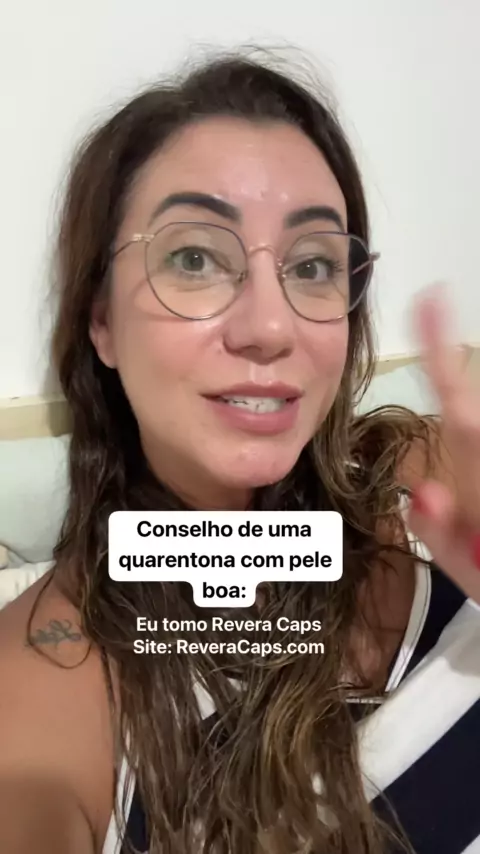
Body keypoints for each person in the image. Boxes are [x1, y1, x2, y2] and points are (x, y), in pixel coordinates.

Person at [0, 49, 479, 854]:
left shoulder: (430, 486)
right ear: (101, 321)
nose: (270, 326)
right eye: (195, 258)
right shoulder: (42, 700)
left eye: (314, 264)